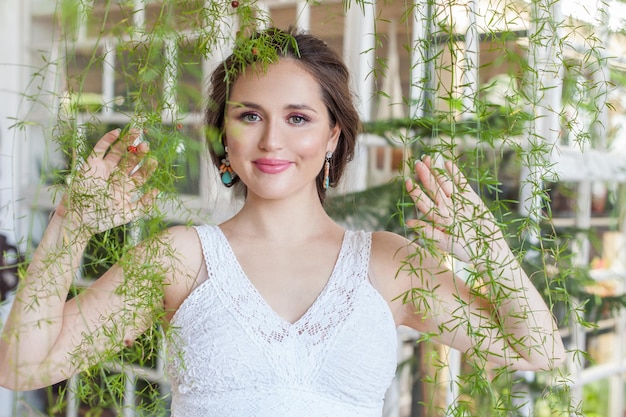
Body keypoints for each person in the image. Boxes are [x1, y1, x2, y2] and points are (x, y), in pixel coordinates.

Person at [0, 27, 564, 416]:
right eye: (250, 116)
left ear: (332, 135)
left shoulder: (388, 264)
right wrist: (72, 223)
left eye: (298, 117)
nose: (272, 140)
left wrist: (488, 244)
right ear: (225, 134)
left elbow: (540, 354)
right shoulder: (179, 258)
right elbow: (23, 367)